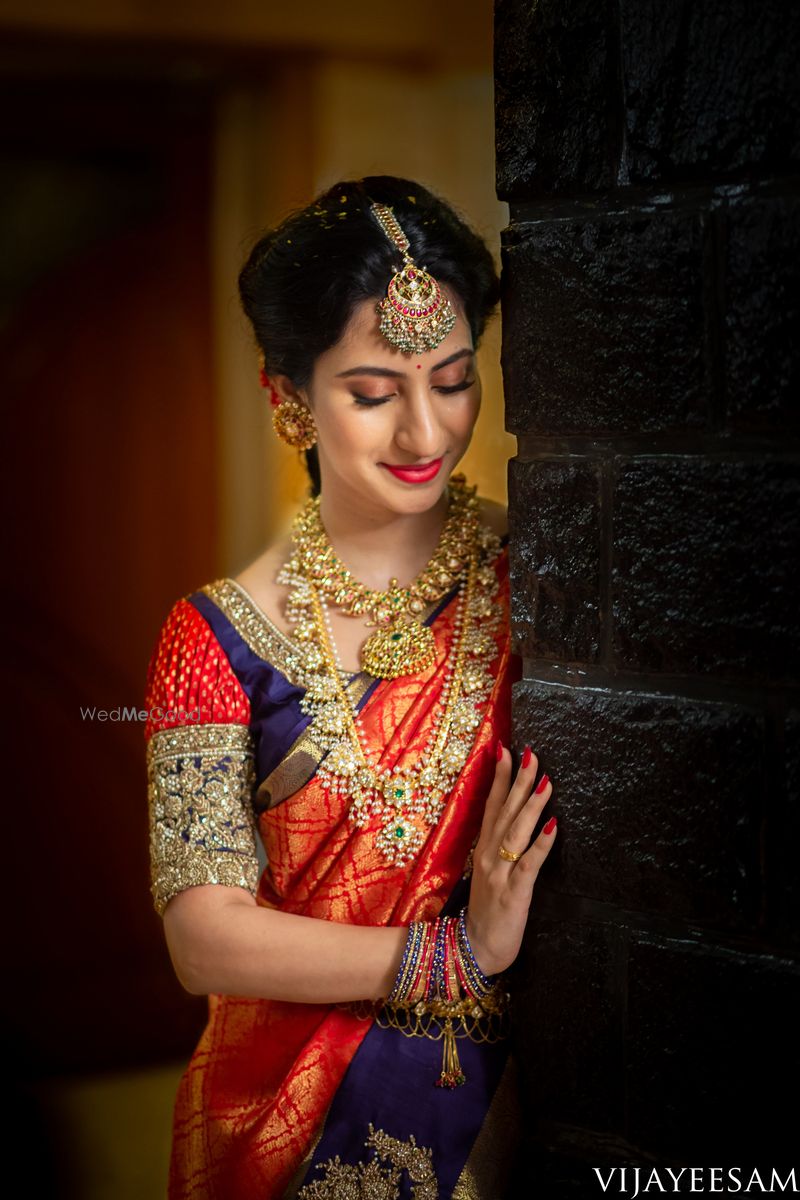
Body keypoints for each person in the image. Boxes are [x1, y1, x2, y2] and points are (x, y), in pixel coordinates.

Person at [144, 175, 557, 1200]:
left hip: (536, 1099)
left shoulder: (543, 573)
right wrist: (452, 954)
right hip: (288, 1132)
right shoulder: (214, 640)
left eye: (454, 380)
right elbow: (204, 937)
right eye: (373, 394)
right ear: (286, 397)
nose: (425, 433)